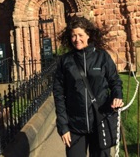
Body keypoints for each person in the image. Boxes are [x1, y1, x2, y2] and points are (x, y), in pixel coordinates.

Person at [53, 16, 124, 157]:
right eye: (73, 35)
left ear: (88, 35)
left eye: (80, 35)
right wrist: (63, 126)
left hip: (100, 121)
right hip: (75, 126)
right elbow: (59, 94)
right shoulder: (65, 61)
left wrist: (117, 96)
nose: (76, 39)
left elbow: (115, 81)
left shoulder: (102, 57)